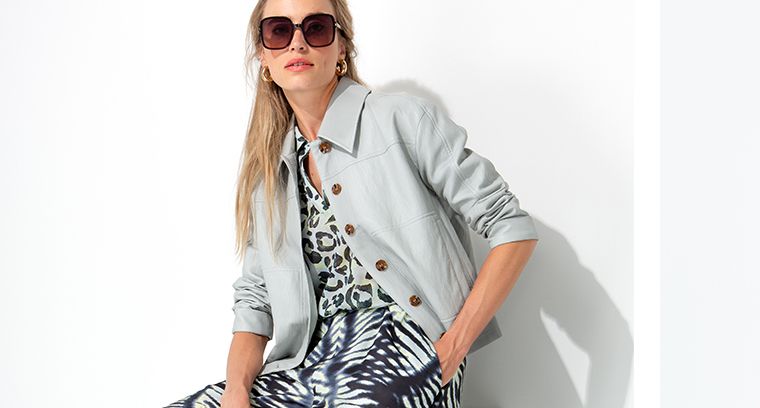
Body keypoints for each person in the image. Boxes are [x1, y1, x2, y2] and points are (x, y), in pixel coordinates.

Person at [171, 0, 537, 405]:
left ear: (341, 46)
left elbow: (511, 226)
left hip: (404, 347)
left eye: (316, 28)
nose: (297, 43)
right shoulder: (269, 173)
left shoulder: (401, 119)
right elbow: (256, 299)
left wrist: (451, 351)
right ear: (263, 55)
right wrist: (237, 391)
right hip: (306, 362)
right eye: (279, 31)